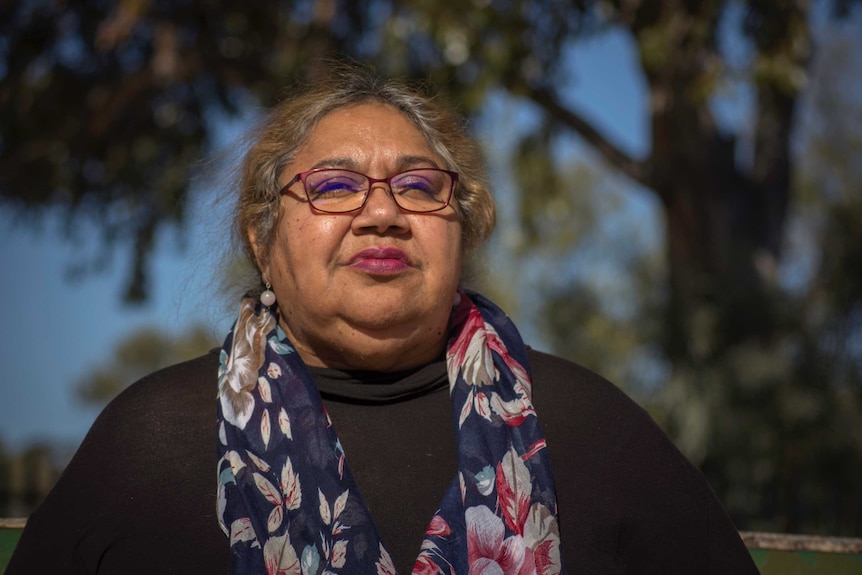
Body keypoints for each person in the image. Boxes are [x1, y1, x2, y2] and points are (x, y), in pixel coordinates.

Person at [7, 63, 759, 575]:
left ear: (462, 231)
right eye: (333, 185)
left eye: (418, 185)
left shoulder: (591, 430)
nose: (382, 212)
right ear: (262, 240)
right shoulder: (153, 444)